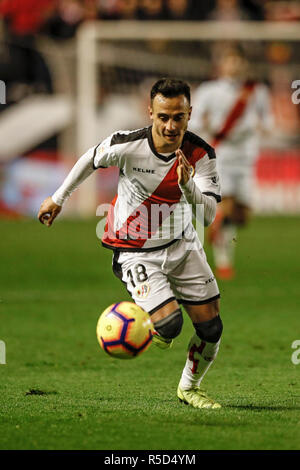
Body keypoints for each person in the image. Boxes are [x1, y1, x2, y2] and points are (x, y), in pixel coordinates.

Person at [38, 78, 223, 409]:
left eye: (178, 117)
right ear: (150, 112)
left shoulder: (201, 155)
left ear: (189, 114)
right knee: (170, 325)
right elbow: (90, 159)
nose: (170, 125)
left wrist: (187, 187)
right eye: (163, 116)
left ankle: (189, 388)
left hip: (183, 246)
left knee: (211, 327)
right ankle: (144, 324)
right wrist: (57, 198)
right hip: (135, 251)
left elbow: (208, 217)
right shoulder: (128, 144)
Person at [190, 47, 273, 280]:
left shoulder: (257, 91)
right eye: (230, 60)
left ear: (243, 64)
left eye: (238, 61)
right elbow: (194, 119)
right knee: (225, 205)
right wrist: (205, 124)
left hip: (247, 156)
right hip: (222, 155)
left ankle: (218, 220)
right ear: (222, 64)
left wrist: (263, 126)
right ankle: (224, 264)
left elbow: (268, 120)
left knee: (241, 215)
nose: (234, 65)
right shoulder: (209, 90)